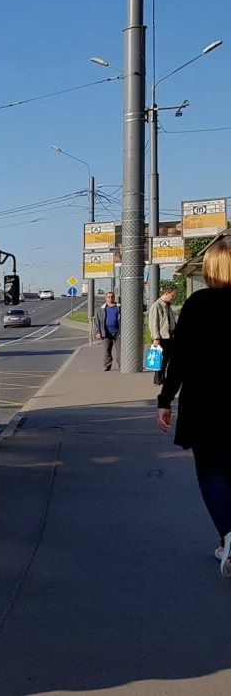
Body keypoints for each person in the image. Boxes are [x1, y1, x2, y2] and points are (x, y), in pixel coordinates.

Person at [157, 238, 231, 578]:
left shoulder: (200, 303)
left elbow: (181, 359)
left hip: (208, 402)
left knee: (212, 472)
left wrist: (165, 400)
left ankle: (229, 537)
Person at [148, 282, 178, 385]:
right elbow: (153, 323)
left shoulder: (167, 306)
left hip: (169, 335)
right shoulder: (156, 306)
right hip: (162, 337)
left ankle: (162, 378)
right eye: (173, 295)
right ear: (166, 294)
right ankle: (158, 379)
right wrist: (155, 337)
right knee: (160, 359)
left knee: (166, 358)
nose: (174, 297)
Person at [96, 292, 120, 371]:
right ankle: (107, 365)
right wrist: (98, 332)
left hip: (118, 333)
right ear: (106, 298)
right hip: (106, 332)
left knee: (120, 350)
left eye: (112, 296)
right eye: (108, 297)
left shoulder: (119, 307)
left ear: (114, 297)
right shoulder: (101, 309)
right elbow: (98, 321)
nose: (110, 298)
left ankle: (122, 365)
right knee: (106, 350)